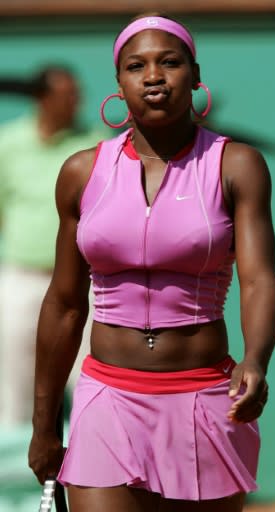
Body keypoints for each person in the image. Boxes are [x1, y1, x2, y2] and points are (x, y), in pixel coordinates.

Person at [28, 13, 275, 512]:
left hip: (205, 398)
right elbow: (63, 304)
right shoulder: (82, 172)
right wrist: (43, 425)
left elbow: (258, 279)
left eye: (169, 62)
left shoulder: (237, 165)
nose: (153, 77)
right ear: (118, 83)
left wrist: (256, 360)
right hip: (107, 396)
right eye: (135, 66)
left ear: (195, 72)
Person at [0, 65, 111, 425]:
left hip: (85, 282)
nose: (75, 102)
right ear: (43, 99)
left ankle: (89, 471)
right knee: (13, 383)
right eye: (67, 95)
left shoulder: (96, 144)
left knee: (91, 379)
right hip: (23, 279)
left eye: (77, 94)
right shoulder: (8, 144)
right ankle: (13, 476)